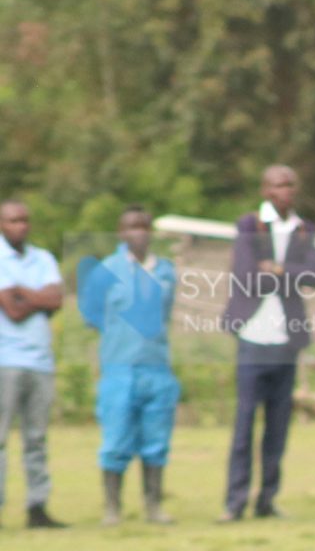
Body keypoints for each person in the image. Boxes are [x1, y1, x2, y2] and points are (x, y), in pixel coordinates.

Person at [218, 165, 315, 520]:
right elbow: (247, 277)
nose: (286, 191)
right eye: (278, 185)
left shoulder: (304, 229)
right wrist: (287, 273)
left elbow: (314, 276)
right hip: (252, 338)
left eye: (291, 184)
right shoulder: (249, 226)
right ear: (265, 190)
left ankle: (267, 500)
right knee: (244, 426)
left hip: (287, 341)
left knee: (278, 427)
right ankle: (235, 503)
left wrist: (277, 269)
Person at [77, 207, 182, 524]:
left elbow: (164, 315)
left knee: (156, 440)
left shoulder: (165, 271)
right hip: (119, 369)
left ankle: (154, 506)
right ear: (120, 233)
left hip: (157, 368)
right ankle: (112, 508)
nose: (138, 233)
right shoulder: (105, 271)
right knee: (116, 440)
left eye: (144, 227)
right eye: (131, 227)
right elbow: (91, 317)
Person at [0, 199, 66, 529]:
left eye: (24, 220)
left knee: (36, 439)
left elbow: (56, 300)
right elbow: (12, 310)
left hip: (41, 362)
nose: (20, 226)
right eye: (12, 221)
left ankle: (37, 506)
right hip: (5, 361)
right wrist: (36, 297)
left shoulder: (44, 258)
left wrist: (23, 292)